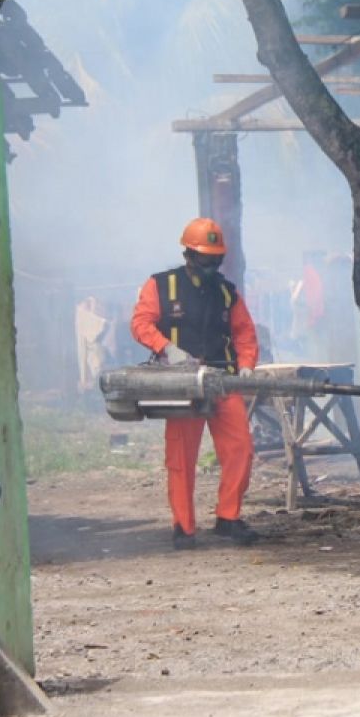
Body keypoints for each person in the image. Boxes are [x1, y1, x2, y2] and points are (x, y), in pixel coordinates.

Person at [131, 217, 261, 550]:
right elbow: (140, 323)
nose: (212, 265)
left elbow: (245, 333)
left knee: (240, 450)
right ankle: (183, 527)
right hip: (181, 383)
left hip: (222, 380)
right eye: (206, 259)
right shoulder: (161, 285)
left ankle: (228, 517)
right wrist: (166, 349)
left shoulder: (226, 292)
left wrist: (245, 366)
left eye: (217, 259)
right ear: (189, 254)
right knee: (181, 457)